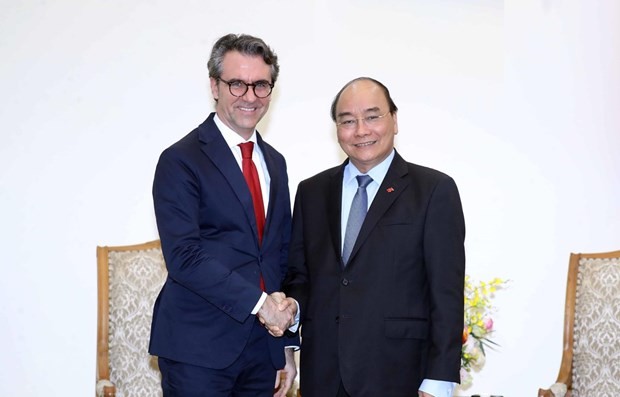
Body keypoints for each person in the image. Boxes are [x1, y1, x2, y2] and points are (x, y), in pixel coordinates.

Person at [283, 77, 465, 397]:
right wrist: (291, 312)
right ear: (336, 129)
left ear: (394, 120)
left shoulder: (433, 191)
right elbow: (300, 276)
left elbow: (446, 294)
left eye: (372, 116)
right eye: (348, 121)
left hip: (400, 375)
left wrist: (439, 380)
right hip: (324, 376)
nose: (361, 130)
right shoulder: (311, 192)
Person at [149, 33, 299, 397]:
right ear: (215, 86)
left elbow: (278, 254)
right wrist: (262, 305)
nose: (250, 96)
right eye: (237, 84)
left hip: (262, 352)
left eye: (260, 85)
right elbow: (184, 257)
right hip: (197, 349)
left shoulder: (275, 163)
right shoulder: (181, 160)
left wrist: (287, 347)